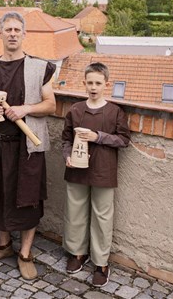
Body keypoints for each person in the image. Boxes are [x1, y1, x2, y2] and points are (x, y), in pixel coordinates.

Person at [0, 11, 56, 280]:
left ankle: (26, 253)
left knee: (27, 198)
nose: (11, 34)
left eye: (16, 30)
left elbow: (51, 105)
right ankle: (4, 244)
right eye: (7, 30)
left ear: (23, 34)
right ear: (1, 34)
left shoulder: (40, 68)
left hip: (27, 147)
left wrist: (25, 109)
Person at [62, 62, 130, 287]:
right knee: (75, 212)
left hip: (103, 170)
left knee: (102, 216)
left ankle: (101, 262)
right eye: (90, 82)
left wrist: (98, 136)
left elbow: (123, 140)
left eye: (98, 83)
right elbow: (65, 140)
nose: (93, 87)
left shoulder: (115, 111)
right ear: (84, 83)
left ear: (106, 85)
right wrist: (66, 156)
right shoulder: (75, 110)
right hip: (76, 170)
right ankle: (77, 252)